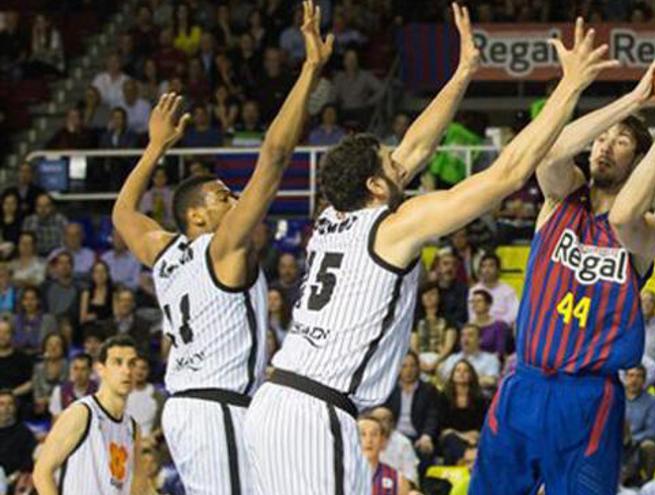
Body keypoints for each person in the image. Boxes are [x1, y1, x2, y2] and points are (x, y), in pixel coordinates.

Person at [245, 8, 623, 494]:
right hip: (315, 415)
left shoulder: (333, 217)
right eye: (389, 163)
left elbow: (416, 147)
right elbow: (506, 174)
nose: (401, 161)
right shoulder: (394, 225)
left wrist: (463, 73)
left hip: (275, 403)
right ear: (376, 186)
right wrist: (569, 87)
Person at [471, 44, 655, 495]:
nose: (606, 145)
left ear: (638, 161)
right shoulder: (560, 200)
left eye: (622, 141)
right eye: (602, 137)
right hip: (525, 383)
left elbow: (624, 216)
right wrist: (636, 97)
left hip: (588, 398)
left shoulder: (647, 232)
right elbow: (548, 155)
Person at [111, 4, 332, 493]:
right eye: (222, 196)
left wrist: (154, 149)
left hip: (196, 408)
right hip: (217, 409)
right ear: (196, 216)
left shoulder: (165, 252)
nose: (234, 200)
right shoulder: (221, 248)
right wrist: (310, 70)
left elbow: (122, 215)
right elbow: (273, 158)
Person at [33, 336, 145, 494]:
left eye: (132, 364)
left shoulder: (133, 428)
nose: (126, 370)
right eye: (117, 362)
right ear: (100, 369)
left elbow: (141, 487)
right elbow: (41, 473)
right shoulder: (81, 413)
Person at [384, 351, 441, 459]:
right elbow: (383, 413)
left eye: (412, 366)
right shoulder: (389, 389)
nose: (408, 370)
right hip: (394, 436)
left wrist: (427, 436)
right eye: (404, 366)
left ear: (418, 368)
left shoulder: (429, 390)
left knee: (423, 455)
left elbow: (432, 416)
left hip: (418, 437)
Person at [438, 359, 488, 466]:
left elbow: (481, 427)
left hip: (474, 440)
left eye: (465, 371)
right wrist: (463, 436)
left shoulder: (480, 399)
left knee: (449, 454)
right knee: (450, 439)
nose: (461, 373)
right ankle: (469, 460)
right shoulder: (443, 398)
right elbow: (444, 430)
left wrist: (471, 436)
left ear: (471, 375)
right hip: (450, 439)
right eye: (458, 370)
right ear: (452, 375)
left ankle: (465, 463)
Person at [622, 365, 655, 485]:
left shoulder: (652, 401)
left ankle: (646, 484)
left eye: (639, 376)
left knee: (649, 445)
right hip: (614, 441)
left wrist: (631, 439)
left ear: (644, 381)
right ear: (625, 378)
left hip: (637, 444)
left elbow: (653, 431)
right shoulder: (615, 397)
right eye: (631, 375)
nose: (634, 380)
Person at [358, 415, 412, 495]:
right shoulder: (340, 474)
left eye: (374, 434)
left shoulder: (398, 479)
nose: (369, 440)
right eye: (363, 434)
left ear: (383, 441)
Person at [411, 282, 457, 375]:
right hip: (420, 358)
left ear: (439, 297)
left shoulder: (448, 320)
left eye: (432, 294)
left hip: (442, 358)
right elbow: (413, 346)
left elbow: (449, 346)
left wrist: (436, 362)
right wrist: (420, 361)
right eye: (425, 294)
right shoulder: (416, 320)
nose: (428, 297)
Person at [369, 406, 420, 487]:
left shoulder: (403, 443)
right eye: (376, 420)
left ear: (392, 423)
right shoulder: (364, 442)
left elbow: (411, 477)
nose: (379, 423)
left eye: (384, 419)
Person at [438, 324, 500, 389]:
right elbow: (446, 380)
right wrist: (477, 379)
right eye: (463, 335)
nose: (465, 339)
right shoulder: (452, 358)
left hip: (480, 397)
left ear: (480, 340)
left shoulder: (490, 359)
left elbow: (491, 381)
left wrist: (461, 380)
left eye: (470, 335)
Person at [468, 254, 519, 327]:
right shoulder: (473, 290)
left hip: (501, 327)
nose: (487, 269)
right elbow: (472, 315)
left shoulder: (508, 290)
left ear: (498, 270)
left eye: (491, 266)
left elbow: (514, 313)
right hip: (478, 327)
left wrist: (494, 323)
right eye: (483, 266)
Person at [0, 389, 37, 486]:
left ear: (15, 407)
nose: (6, 408)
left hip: (15, 482)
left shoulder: (25, 433)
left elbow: (28, 463)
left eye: (10, 404)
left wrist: (10, 479)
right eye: (2, 404)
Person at [48, 353, 98, 421]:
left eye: (83, 369)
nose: (79, 373)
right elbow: (56, 422)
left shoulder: (99, 391)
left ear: (90, 371)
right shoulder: (59, 391)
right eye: (76, 368)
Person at [469, 289, 513, 361]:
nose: (475, 304)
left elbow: (500, 352)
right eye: (472, 301)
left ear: (488, 304)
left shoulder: (499, 326)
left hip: (492, 363)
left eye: (479, 301)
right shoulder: (468, 326)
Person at [0, 321, 33, 405]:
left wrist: (11, 394)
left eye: (6, 332)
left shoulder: (23, 358)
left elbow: (30, 383)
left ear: (12, 335)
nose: (2, 336)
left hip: (17, 400)